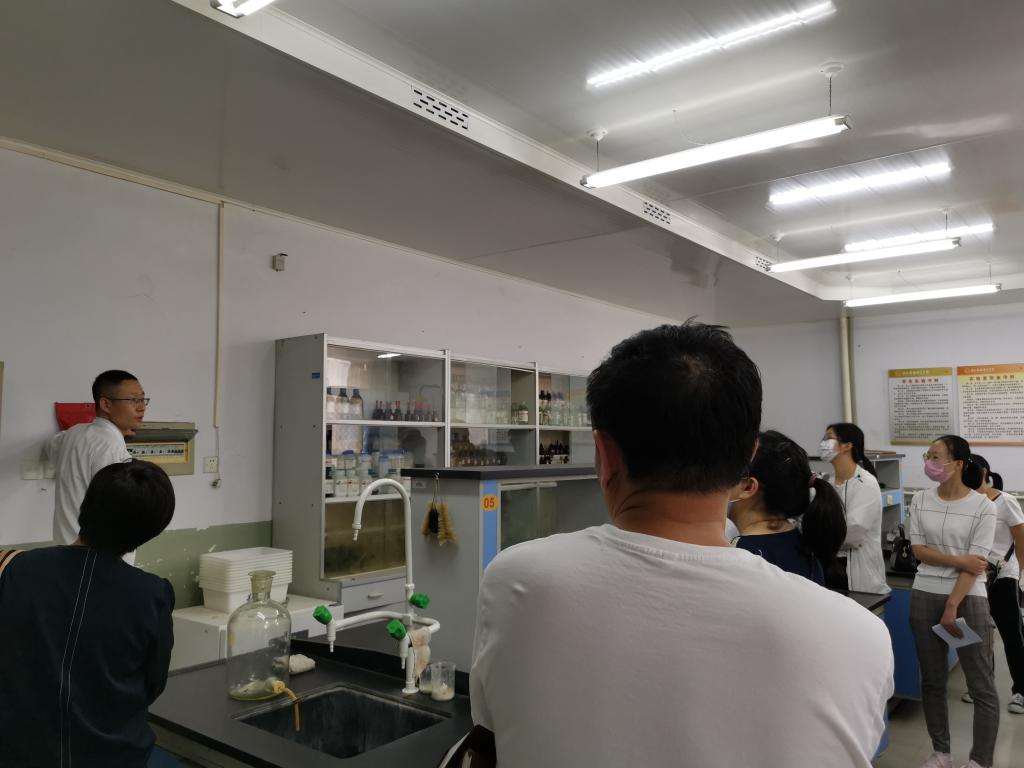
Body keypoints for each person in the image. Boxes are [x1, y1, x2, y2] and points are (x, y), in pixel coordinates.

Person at [470, 322, 894, 767]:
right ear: (747, 456)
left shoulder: (516, 580)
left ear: (604, 455)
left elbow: (490, 735)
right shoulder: (857, 637)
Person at [0, 460, 176, 768]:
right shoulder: (152, 595)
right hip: (114, 755)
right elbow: (153, 685)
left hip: (19, 751)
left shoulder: (11, 567)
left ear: (86, 506)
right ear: (151, 531)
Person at [908, 435, 998, 768]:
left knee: (980, 684)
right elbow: (919, 550)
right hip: (924, 592)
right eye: (927, 456)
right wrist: (959, 560)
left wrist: (951, 606)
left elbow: (977, 565)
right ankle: (941, 753)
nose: (928, 462)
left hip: (967, 598)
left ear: (957, 464)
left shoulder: (983, 507)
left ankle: (980, 760)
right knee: (932, 680)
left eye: (936, 457)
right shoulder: (920, 499)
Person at [45, 370, 148, 562]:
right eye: (133, 400)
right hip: (100, 561)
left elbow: (51, 447)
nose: (141, 407)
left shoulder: (73, 433)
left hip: (64, 553)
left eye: (143, 399)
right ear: (106, 404)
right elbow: (119, 513)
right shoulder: (113, 449)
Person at [728, 430, 847, 587]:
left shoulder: (742, 553)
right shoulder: (805, 544)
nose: (721, 484)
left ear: (748, 486)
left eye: (728, 475)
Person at [960, 455, 1024, 715]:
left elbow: (1021, 540)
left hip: (1004, 576)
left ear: (984, 471)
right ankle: (982, 687)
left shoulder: (1005, 501)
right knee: (977, 634)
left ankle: (1021, 690)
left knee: (1012, 635)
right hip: (974, 576)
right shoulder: (964, 501)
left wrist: (1020, 575)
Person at [821, 422, 891, 595]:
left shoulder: (865, 483)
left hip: (857, 573)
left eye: (829, 438)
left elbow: (852, 533)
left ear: (847, 445)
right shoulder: (826, 483)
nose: (823, 443)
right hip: (828, 566)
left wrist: (816, 535)